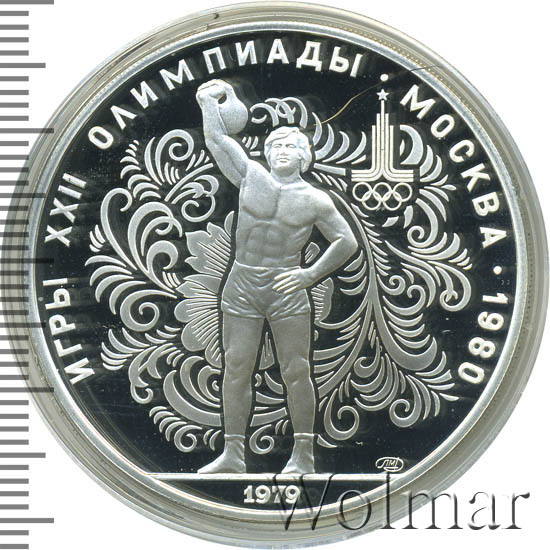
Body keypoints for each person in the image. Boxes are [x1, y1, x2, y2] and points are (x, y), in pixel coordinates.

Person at [195, 79, 357, 474]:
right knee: (236, 367)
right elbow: (217, 140)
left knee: (296, 369)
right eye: (276, 146)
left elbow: (346, 241)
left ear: (304, 156)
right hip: (242, 286)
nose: (282, 151)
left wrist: (309, 275)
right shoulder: (251, 176)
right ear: (267, 154)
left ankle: (304, 456)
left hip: (286, 288)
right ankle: (233, 455)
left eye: (291, 146)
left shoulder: (316, 200)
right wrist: (207, 103)